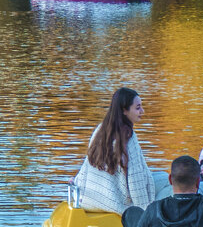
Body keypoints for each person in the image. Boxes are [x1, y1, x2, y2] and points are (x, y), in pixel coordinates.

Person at [71, 87, 167, 216]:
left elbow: (87, 166)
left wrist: (77, 183)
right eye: (138, 108)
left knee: (161, 176)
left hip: (92, 197)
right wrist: (143, 211)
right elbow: (135, 179)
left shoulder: (100, 130)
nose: (142, 111)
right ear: (124, 110)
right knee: (167, 181)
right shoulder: (129, 137)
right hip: (117, 201)